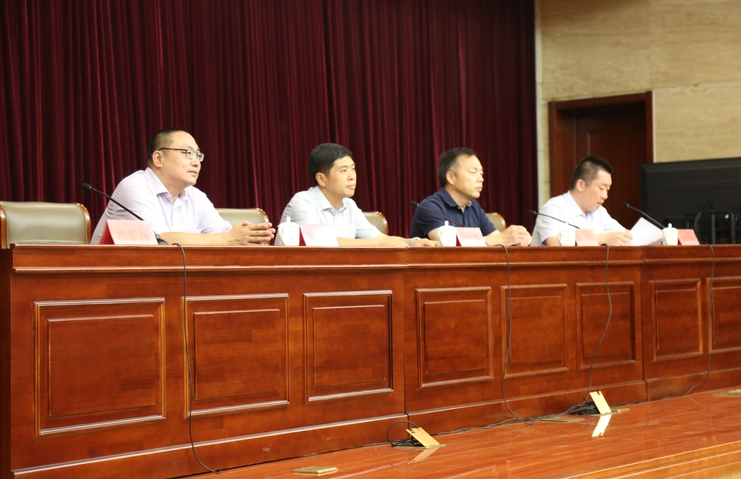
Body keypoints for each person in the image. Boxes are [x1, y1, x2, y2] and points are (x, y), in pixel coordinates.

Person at [91, 128, 275, 245]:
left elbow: (224, 235)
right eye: (187, 153)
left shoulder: (196, 197)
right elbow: (159, 241)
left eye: (198, 155)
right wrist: (229, 239)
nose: (196, 162)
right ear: (158, 158)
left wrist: (248, 238)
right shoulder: (135, 188)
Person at [278, 143, 435, 247]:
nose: (352, 176)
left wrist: (412, 243)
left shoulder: (349, 205)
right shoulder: (303, 202)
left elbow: (378, 238)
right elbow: (319, 243)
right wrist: (378, 244)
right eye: (344, 170)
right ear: (321, 179)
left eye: (353, 169)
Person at [408, 147, 532, 246]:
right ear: (451, 177)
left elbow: (496, 238)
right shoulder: (430, 207)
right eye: (473, 173)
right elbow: (448, 245)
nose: (481, 179)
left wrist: (516, 239)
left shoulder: (473, 206)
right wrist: (501, 238)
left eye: (481, 173)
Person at [531, 156, 632, 246]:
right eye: (601, 188)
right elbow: (554, 243)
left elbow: (625, 237)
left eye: (607, 190)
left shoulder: (600, 212)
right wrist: (603, 238)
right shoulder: (554, 208)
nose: (605, 196)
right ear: (581, 185)